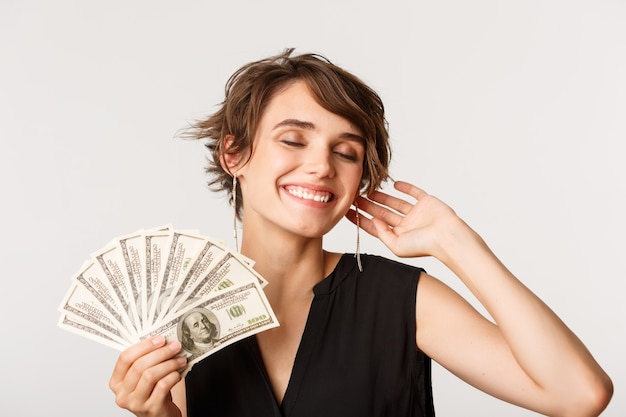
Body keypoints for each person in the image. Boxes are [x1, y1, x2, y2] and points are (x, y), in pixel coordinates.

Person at [109, 49, 613, 417]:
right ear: (234, 153)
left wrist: (456, 243)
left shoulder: (401, 300)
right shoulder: (173, 312)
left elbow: (579, 396)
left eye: (345, 151)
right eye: (293, 139)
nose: (320, 166)